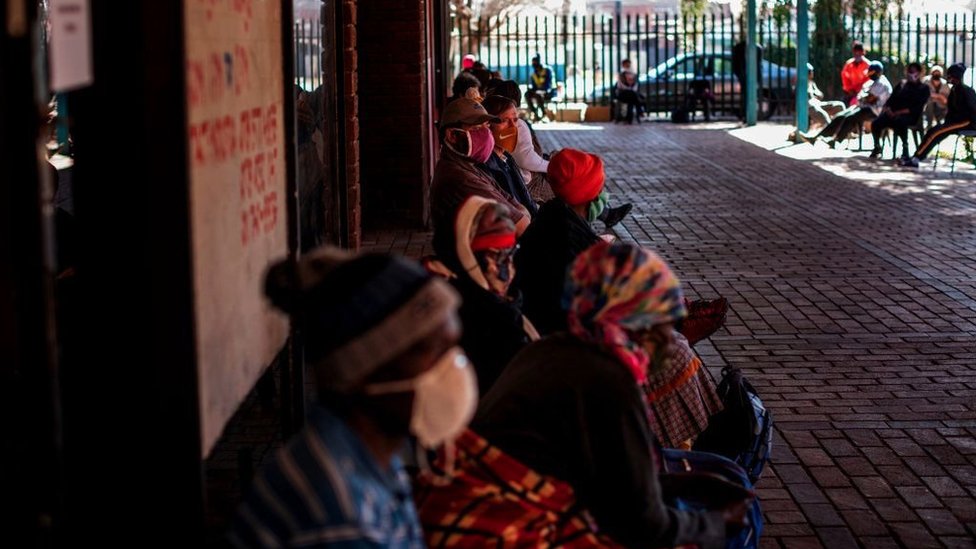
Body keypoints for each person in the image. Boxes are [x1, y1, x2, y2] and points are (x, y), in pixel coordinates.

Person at [464, 242, 750, 548]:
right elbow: (646, 526)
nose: (672, 335)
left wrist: (669, 482)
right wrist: (718, 524)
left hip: (495, 507)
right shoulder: (611, 382)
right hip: (519, 529)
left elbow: (601, 474)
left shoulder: (550, 348)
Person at [229, 247, 477, 547]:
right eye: (429, 352)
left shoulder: (370, 453)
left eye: (451, 347)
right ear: (362, 370)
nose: (453, 368)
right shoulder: (339, 517)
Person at [428, 196, 538, 393]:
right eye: (497, 256)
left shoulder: (491, 299)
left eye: (510, 254)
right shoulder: (464, 314)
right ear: (466, 254)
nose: (507, 270)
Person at [430, 97, 530, 257]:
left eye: (486, 126)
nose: (486, 134)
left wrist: (521, 212)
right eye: (477, 128)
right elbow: (521, 225)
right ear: (452, 136)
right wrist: (522, 213)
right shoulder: (461, 179)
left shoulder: (469, 167)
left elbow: (514, 203)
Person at [900, 62, 976, 168]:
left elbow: (972, 111)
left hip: (967, 122)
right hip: (956, 122)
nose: (948, 78)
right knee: (934, 132)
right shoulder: (955, 89)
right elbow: (951, 109)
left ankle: (916, 158)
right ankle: (916, 157)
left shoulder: (966, 91)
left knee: (935, 132)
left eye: (951, 75)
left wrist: (951, 123)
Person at [800, 60, 891, 147]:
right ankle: (816, 137)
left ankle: (835, 140)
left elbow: (869, 98)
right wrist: (863, 97)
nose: (870, 74)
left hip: (875, 111)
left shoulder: (882, 83)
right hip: (864, 107)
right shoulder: (872, 82)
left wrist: (864, 97)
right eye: (869, 72)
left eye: (872, 72)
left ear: (879, 72)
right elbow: (862, 96)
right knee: (840, 116)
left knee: (849, 118)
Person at [480, 95, 538, 216]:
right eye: (505, 120)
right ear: (488, 125)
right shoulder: (487, 165)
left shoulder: (506, 157)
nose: (512, 127)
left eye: (515, 120)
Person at [869, 62, 930, 160]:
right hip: (892, 114)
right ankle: (877, 147)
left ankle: (905, 149)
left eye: (913, 72)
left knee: (900, 122)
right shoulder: (902, 84)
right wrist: (888, 109)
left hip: (910, 116)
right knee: (876, 123)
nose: (910, 74)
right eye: (909, 71)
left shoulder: (923, 88)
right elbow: (891, 99)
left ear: (919, 73)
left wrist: (899, 112)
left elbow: (917, 107)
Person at [802, 63, 846, 129]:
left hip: (818, 104)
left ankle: (844, 130)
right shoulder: (800, 84)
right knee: (822, 113)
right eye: (810, 72)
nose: (812, 73)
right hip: (810, 107)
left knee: (840, 105)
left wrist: (815, 94)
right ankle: (830, 130)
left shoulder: (812, 83)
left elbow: (820, 95)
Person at [525, 53, 555, 122]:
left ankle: (544, 115)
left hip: (548, 92)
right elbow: (534, 86)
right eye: (533, 63)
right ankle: (535, 113)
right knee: (527, 94)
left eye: (535, 62)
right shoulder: (534, 73)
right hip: (537, 92)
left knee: (538, 95)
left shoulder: (547, 70)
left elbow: (550, 84)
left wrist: (544, 90)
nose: (534, 64)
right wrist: (531, 89)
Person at [841, 41, 872, 106]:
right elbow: (844, 77)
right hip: (850, 93)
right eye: (855, 52)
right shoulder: (848, 64)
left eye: (859, 52)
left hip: (863, 93)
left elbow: (869, 80)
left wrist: (859, 90)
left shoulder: (868, 65)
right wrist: (849, 90)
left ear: (863, 53)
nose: (857, 54)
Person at [616, 58, 645, 124]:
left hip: (631, 94)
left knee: (631, 99)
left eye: (628, 64)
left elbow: (636, 84)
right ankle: (639, 111)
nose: (628, 65)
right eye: (626, 64)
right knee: (633, 97)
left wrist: (631, 89)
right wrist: (630, 89)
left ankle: (629, 119)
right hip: (623, 93)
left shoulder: (633, 73)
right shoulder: (621, 74)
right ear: (623, 65)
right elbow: (621, 85)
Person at [924, 64, 951, 130]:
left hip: (941, 105)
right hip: (928, 104)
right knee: (930, 104)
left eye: (938, 72)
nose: (936, 74)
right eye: (935, 72)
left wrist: (938, 97)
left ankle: (939, 125)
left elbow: (947, 99)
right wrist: (938, 96)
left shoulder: (945, 84)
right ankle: (929, 124)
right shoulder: (926, 81)